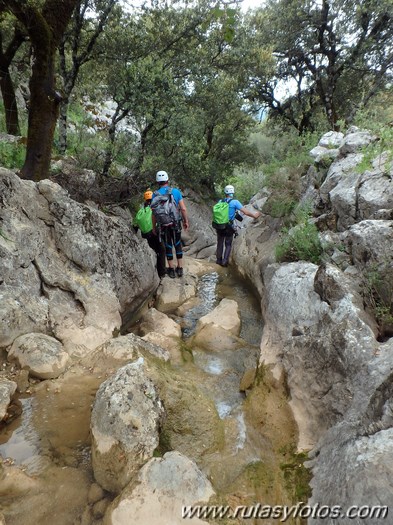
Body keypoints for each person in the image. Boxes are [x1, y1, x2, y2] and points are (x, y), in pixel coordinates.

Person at [151, 170, 189, 278]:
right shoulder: (175, 192)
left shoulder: (155, 195)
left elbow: (153, 213)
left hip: (163, 225)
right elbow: (183, 208)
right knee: (177, 244)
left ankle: (171, 269)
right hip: (175, 223)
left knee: (168, 245)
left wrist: (154, 227)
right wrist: (186, 221)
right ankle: (180, 268)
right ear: (167, 179)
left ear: (157, 182)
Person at [215, 184, 260, 267]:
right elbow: (246, 212)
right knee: (228, 244)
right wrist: (254, 216)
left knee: (220, 243)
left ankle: (218, 260)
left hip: (219, 226)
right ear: (233, 192)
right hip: (228, 226)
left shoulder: (220, 201)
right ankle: (224, 262)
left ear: (225, 192)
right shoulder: (235, 202)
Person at [133, 189, 166, 278]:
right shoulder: (155, 207)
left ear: (145, 199)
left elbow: (135, 224)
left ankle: (154, 271)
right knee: (161, 250)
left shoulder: (142, 210)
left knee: (153, 250)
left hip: (146, 235)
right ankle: (162, 273)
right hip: (155, 232)